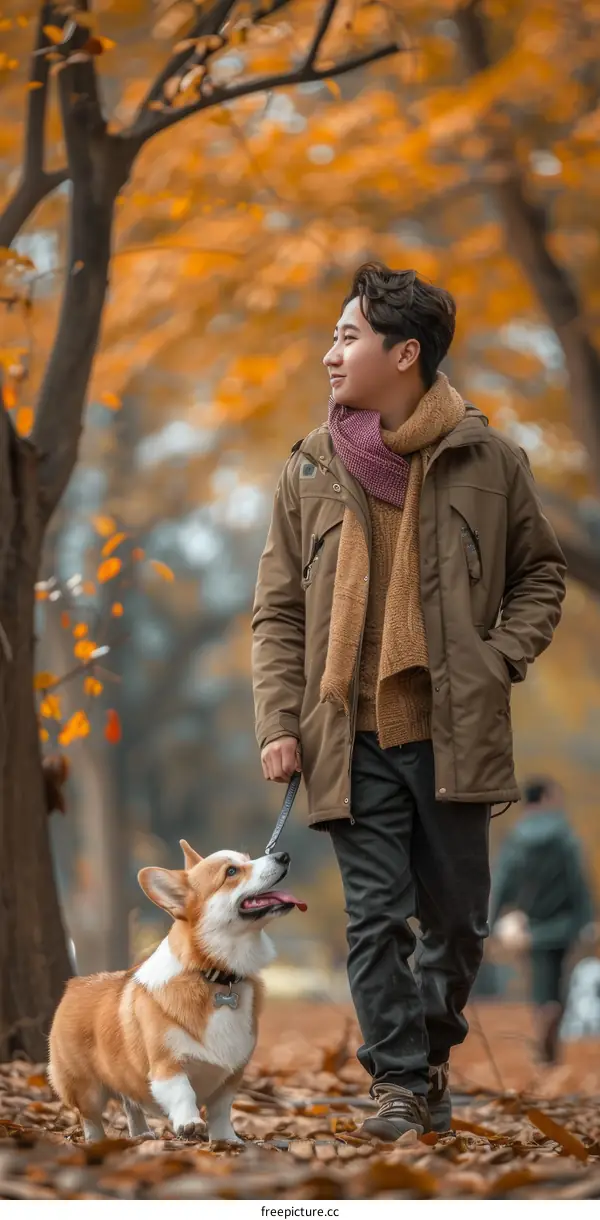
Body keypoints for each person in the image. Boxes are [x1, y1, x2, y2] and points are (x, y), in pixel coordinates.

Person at [251, 262, 567, 1139]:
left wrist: (500, 658)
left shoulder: (491, 460)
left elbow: (541, 573)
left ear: (406, 354)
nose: (330, 354)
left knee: (459, 924)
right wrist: (280, 723)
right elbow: (276, 610)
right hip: (347, 733)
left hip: (455, 730)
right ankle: (396, 1082)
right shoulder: (309, 469)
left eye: (347, 337)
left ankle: (428, 1056)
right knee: (376, 917)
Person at [489, 777, 594, 1064]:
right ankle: (552, 1020)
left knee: (539, 980)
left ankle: (542, 1018)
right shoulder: (565, 836)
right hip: (564, 924)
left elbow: (502, 881)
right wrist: (587, 920)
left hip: (529, 927)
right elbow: (578, 883)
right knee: (560, 979)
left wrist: (490, 920)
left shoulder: (516, 838)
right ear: (546, 797)